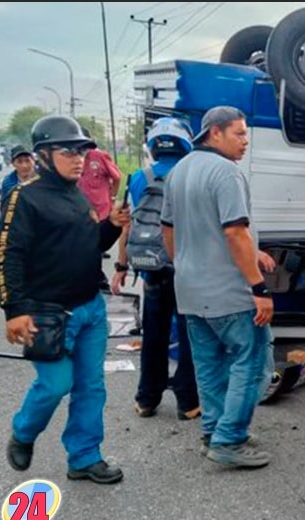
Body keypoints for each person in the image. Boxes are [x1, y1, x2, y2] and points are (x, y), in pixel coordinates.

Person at [0, 114, 130, 484]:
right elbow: (9, 255)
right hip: (48, 314)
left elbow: (89, 245)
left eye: (82, 151)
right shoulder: (24, 198)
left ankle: (84, 457)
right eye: (68, 151)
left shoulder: (77, 194)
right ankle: (24, 432)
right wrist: (15, 310)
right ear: (43, 154)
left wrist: (111, 226)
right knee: (56, 384)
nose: (79, 159)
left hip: (91, 308)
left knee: (91, 387)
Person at [161, 106, 275, 468]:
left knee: (208, 365)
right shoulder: (226, 173)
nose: (245, 142)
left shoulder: (179, 171)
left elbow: (168, 229)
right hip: (230, 293)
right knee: (252, 362)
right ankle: (229, 439)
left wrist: (185, 264)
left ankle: (213, 431)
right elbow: (234, 232)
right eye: (239, 134)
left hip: (191, 290)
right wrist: (260, 289)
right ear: (214, 133)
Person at [112, 117, 201, 420]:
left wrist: (121, 266)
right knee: (190, 334)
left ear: (153, 145)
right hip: (185, 267)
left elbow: (129, 225)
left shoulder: (139, 177)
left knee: (154, 334)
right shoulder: (192, 174)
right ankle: (188, 402)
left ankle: (146, 399)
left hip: (150, 269)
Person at [77, 127, 121, 257]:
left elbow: (117, 177)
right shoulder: (72, 161)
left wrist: (112, 196)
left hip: (101, 208)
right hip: (82, 208)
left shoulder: (99, 156)